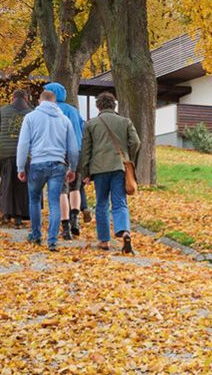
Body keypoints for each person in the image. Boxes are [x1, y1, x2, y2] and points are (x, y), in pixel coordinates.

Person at [16, 89, 79, 251]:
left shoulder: (30, 118)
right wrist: (72, 168)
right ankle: (52, 240)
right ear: (55, 102)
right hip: (58, 165)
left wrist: (21, 167)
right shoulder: (64, 120)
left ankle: (36, 235)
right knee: (54, 202)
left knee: (35, 200)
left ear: (39, 101)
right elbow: (73, 148)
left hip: (37, 163)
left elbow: (23, 144)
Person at [78, 92, 139, 254]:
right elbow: (136, 142)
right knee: (120, 202)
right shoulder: (125, 122)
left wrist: (85, 171)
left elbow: (86, 151)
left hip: (99, 169)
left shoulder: (91, 124)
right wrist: (128, 157)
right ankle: (124, 231)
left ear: (98, 106)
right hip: (119, 167)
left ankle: (104, 240)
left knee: (102, 204)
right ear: (114, 105)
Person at [45, 81, 87, 236]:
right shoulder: (74, 110)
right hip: (77, 151)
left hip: (58, 153)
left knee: (61, 190)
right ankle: (75, 219)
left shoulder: (50, 110)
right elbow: (82, 128)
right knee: (75, 187)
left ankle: (65, 226)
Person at [0, 88, 32, 226]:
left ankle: (6, 213)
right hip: (26, 155)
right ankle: (19, 216)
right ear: (26, 99)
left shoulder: (3, 111)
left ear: (12, 98)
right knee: (22, 186)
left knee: (7, 184)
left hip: (6, 153)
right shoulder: (31, 113)